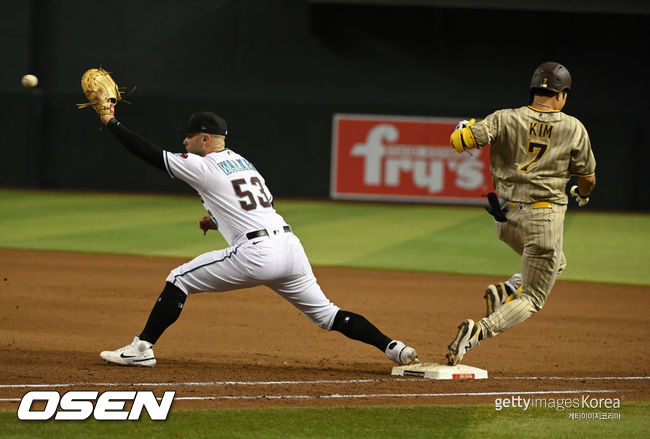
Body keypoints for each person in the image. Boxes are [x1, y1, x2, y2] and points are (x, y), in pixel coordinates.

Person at [95, 109, 419, 367]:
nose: (185, 142)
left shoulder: (203, 165)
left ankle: (142, 348)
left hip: (257, 253)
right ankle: (394, 348)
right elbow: (263, 205)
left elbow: (149, 154)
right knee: (327, 314)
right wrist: (218, 219)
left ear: (204, 138)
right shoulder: (244, 162)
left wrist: (111, 122)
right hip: (290, 248)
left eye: (189, 136)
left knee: (179, 278)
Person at [446, 61, 596, 365]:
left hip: (506, 220)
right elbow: (588, 178)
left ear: (534, 90)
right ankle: (478, 330)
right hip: (543, 220)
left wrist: (463, 128)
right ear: (562, 94)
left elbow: (459, 141)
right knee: (533, 298)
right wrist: (582, 194)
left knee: (557, 262)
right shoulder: (573, 127)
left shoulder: (504, 118)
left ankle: (508, 289)